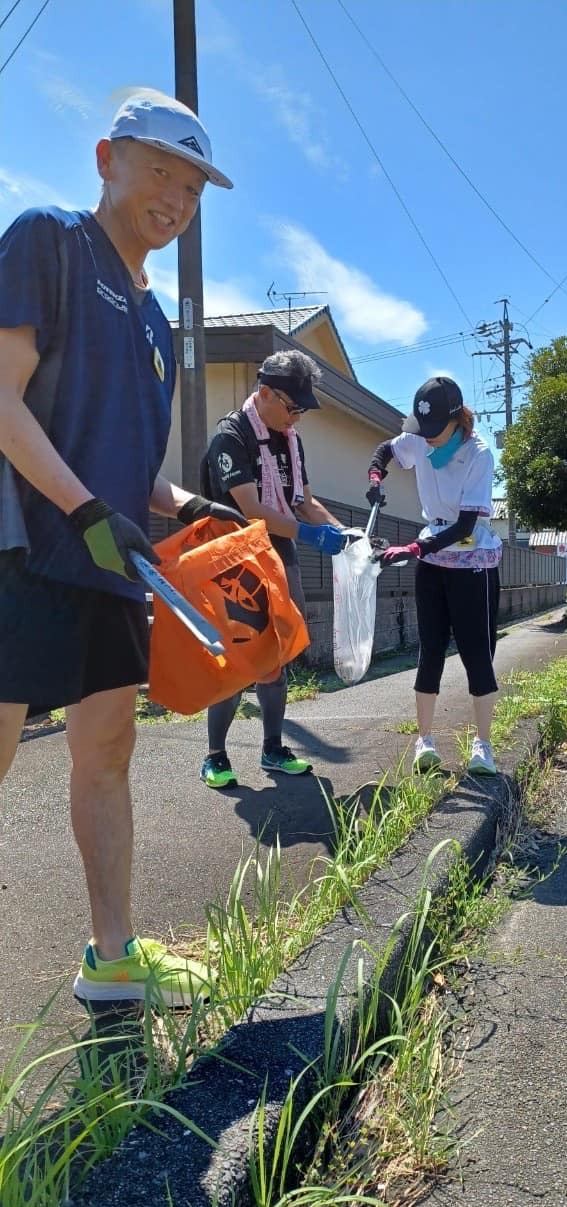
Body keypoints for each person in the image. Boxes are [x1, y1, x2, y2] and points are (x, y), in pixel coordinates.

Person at [0, 89, 239, 1009]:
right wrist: (84, 508)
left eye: (192, 189)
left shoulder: (156, 325)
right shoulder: (47, 240)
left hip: (110, 562)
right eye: (160, 173)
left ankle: (111, 958)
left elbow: (131, 469)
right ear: (108, 158)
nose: (175, 200)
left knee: (106, 754)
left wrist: (194, 506)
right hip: (27, 546)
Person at [200, 350, 345, 786]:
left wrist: (344, 532)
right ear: (265, 393)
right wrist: (311, 535)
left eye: (301, 410)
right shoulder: (231, 436)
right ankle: (215, 756)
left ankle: (273, 749)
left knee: (276, 655)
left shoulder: (289, 440)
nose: (297, 419)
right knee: (237, 657)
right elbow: (252, 510)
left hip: (279, 554)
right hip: (234, 559)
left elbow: (302, 500)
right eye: (293, 408)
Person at [365, 376, 502, 775]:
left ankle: (483, 745)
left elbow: (462, 527)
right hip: (432, 561)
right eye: (422, 430)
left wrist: (413, 549)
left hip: (472, 561)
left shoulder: (478, 454)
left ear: (457, 419)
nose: (427, 439)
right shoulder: (421, 441)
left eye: (435, 430)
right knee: (430, 650)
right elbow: (384, 450)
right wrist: (375, 476)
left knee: (478, 654)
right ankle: (424, 741)